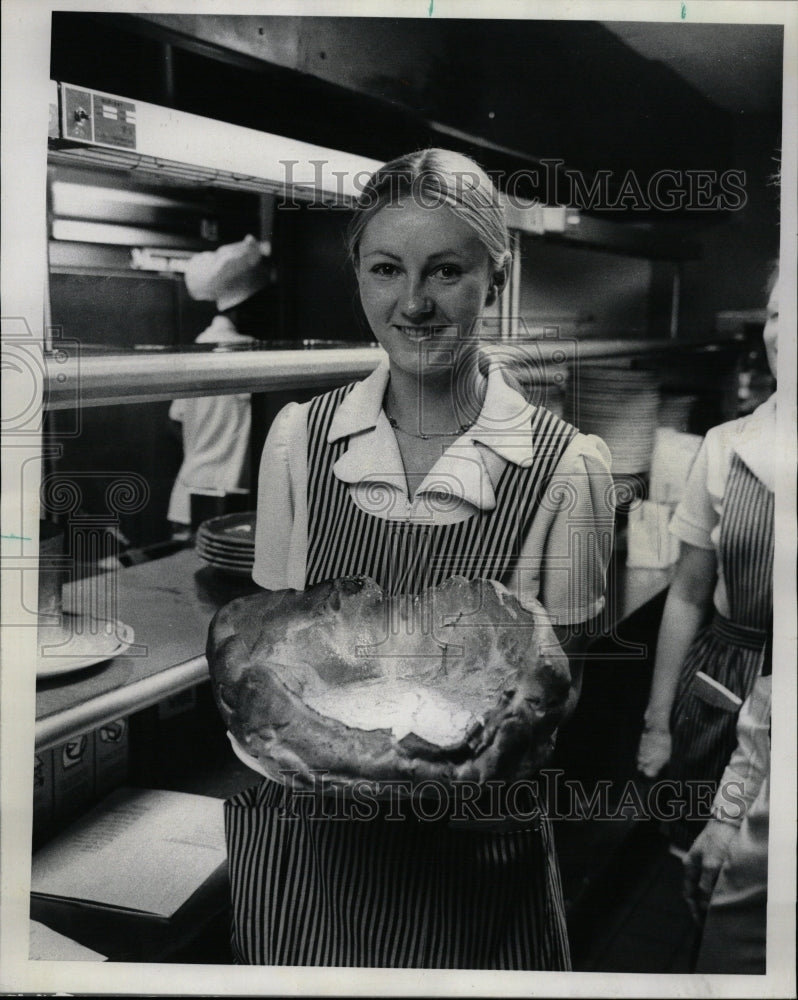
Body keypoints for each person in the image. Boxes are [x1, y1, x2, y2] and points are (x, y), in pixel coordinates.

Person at [220, 149, 615, 968]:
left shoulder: (570, 469)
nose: (414, 304)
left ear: (494, 282)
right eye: (386, 269)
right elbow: (268, 659)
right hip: (311, 853)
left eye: (446, 271)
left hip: (468, 859)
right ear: (359, 277)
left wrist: (442, 769)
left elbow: (557, 698)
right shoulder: (298, 438)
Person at [636, 266, 779, 854]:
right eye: (776, 315)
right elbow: (688, 594)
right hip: (724, 687)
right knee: (700, 871)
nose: (783, 335)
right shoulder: (727, 446)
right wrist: (658, 722)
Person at [167, 235, 270, 535]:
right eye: (264, 303)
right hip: (223, 503)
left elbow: (174, 422)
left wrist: (204, 450)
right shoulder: (251, 354)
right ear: (248, 306)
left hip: (186, 495)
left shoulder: (198, 346)